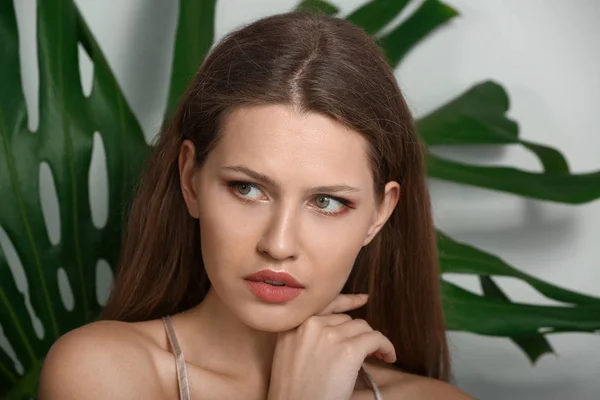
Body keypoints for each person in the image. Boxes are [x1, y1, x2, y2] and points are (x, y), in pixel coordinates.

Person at [39, 10, 473, 400]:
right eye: (247, 189)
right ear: (191, 179)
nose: (279, 245)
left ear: (379, 213)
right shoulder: (103, 373)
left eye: (327, 201)